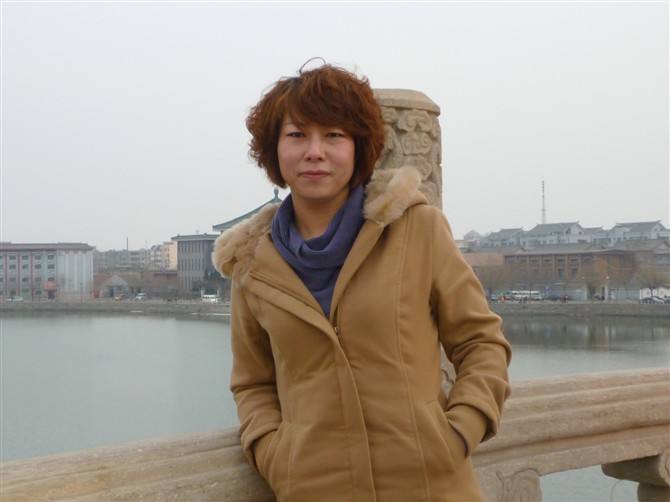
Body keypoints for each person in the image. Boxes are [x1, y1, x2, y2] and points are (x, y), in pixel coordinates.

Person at [212, 62, 512, 501]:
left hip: (432, 486)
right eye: (297, 135)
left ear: (358, 147)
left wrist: (459, 431)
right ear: (274, 150)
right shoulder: (252, 264)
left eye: (334, 135)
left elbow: (481, 342)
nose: (315, 151)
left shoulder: (417, 228)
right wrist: (276, 455)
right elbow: (252, 382)